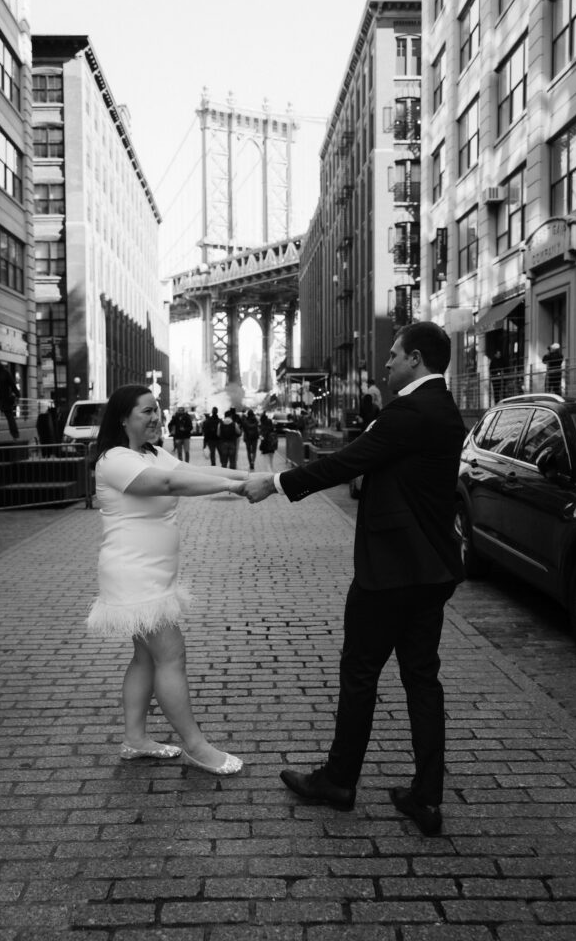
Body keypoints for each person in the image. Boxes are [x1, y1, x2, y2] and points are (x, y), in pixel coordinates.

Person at [243, 322, 466, 835]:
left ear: (415, 359)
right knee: (422, 680)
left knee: (359, 675)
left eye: (393, 355)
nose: (386, 363)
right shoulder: (445, 411)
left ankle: (339, 781)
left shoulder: (408, 412)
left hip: (390, 572)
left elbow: (344, 463)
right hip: (433, 570)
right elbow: (392, 471)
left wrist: (274, 483)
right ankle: (426, 798)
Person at [86, 384, 249, 774]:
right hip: (134, 574)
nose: (156, 417)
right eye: (146, 411)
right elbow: (168, 484)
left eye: (157, 410)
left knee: (145, 657)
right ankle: (196, 746)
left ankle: (136, 739)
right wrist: (234, 486)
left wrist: (257, 476)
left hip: (153, 574)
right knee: (171, 654)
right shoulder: (115, 460)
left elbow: (196, 471)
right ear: (123, 418)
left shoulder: (152, 453)